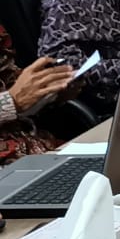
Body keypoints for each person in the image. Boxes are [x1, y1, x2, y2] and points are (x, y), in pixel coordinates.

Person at [0, 24, 76, 164]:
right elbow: (13, 99)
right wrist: (10, 102)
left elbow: (10, 82)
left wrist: (47, 91)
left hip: (34, 143)